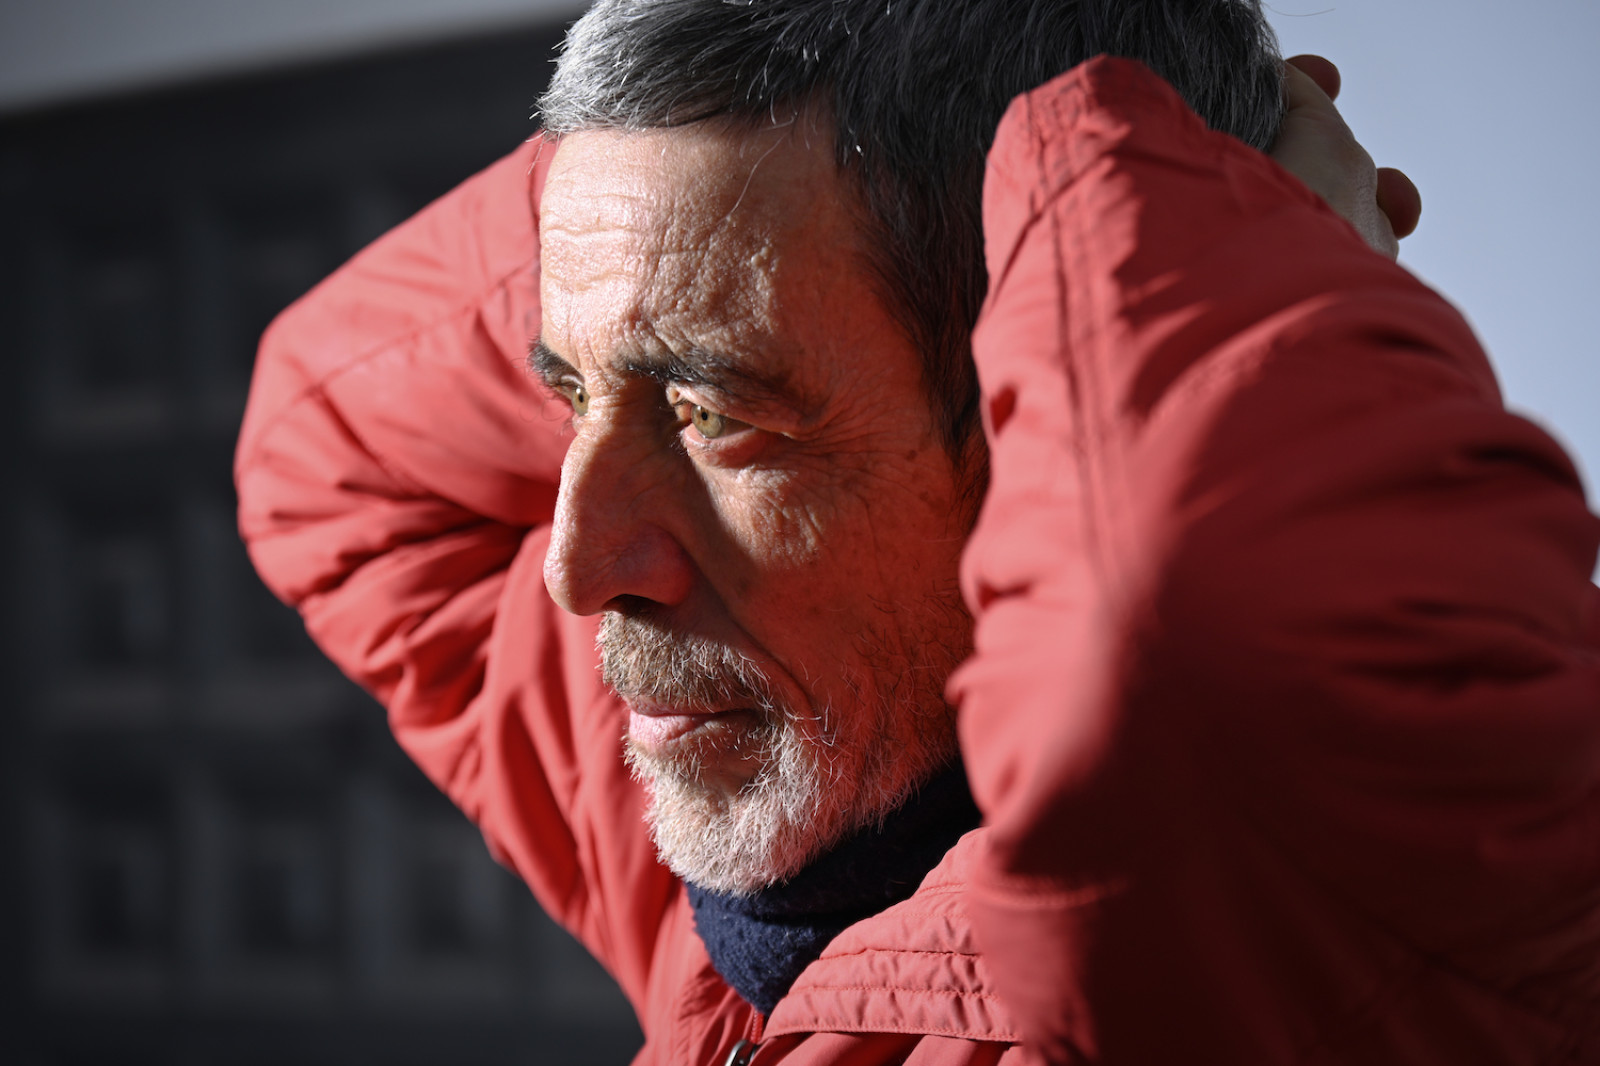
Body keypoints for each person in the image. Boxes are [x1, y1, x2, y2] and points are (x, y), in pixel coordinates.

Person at [235, 0, 1600, 1062]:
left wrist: (1190, 245)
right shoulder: (757, 837)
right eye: (573, 395)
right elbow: (323, 452)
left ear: (1033, 395)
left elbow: (1181, 654)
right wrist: (649, 215)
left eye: (714, 413)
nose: (578, 568)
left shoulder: (1338, 913)